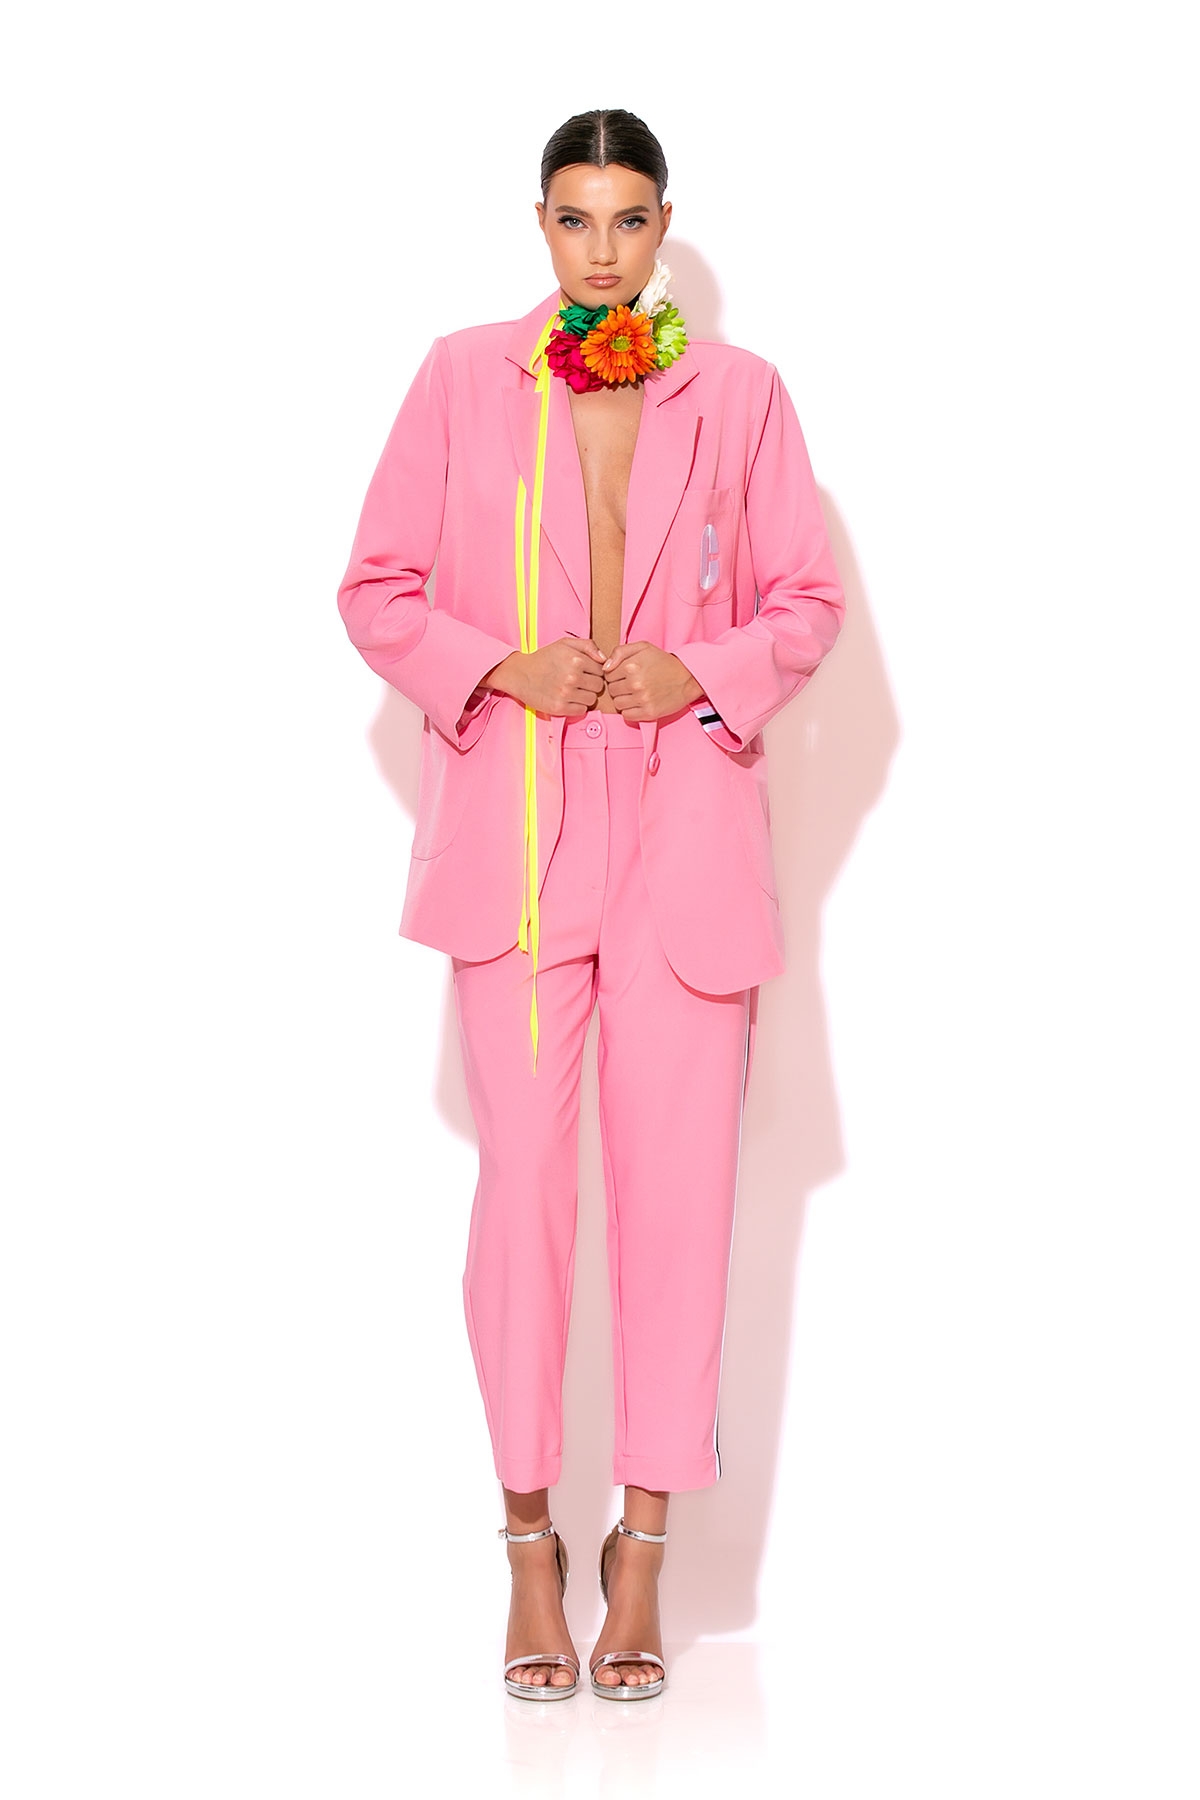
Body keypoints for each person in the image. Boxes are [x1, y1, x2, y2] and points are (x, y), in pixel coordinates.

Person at [336, 107, 845, 1702]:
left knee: (679, 1206)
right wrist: (501, 664)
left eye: (629, 220)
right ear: (541, 225)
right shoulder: (459, 378)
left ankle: (641, 1556)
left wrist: (703, 669)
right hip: (523, 834)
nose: (603, 248)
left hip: (683, 828)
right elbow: (374, 589)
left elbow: (807, 600)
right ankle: (526, 1552)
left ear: (664, 226)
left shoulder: (741, 395)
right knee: (525, 1205)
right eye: (576, 219)